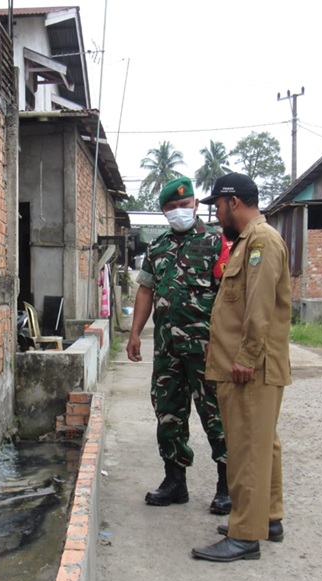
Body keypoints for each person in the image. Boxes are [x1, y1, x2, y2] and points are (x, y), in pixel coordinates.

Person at [191, 172, 292, 562]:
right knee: (263, 443)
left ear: (234, 202)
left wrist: (247, 357)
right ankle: (267, 518)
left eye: (217, 206)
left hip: (250, 368)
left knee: (247, 447)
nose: (216, 214)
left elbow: (260, 305)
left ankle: (244, 536)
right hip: (247, 366)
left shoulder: (260, 242)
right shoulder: (248, 242)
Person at [126, 176, 232, 514]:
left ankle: (226, 484)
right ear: (163, 212)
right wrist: (134, 334)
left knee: (216, 415)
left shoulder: (217, 243)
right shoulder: (156, 249)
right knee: (169, 413)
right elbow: (145, 290)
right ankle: (175, 482)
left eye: (184, 206)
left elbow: (230, 295)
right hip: (167, 350)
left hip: (207, 350)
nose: (178, 212)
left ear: (196, 205)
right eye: (171, 208)